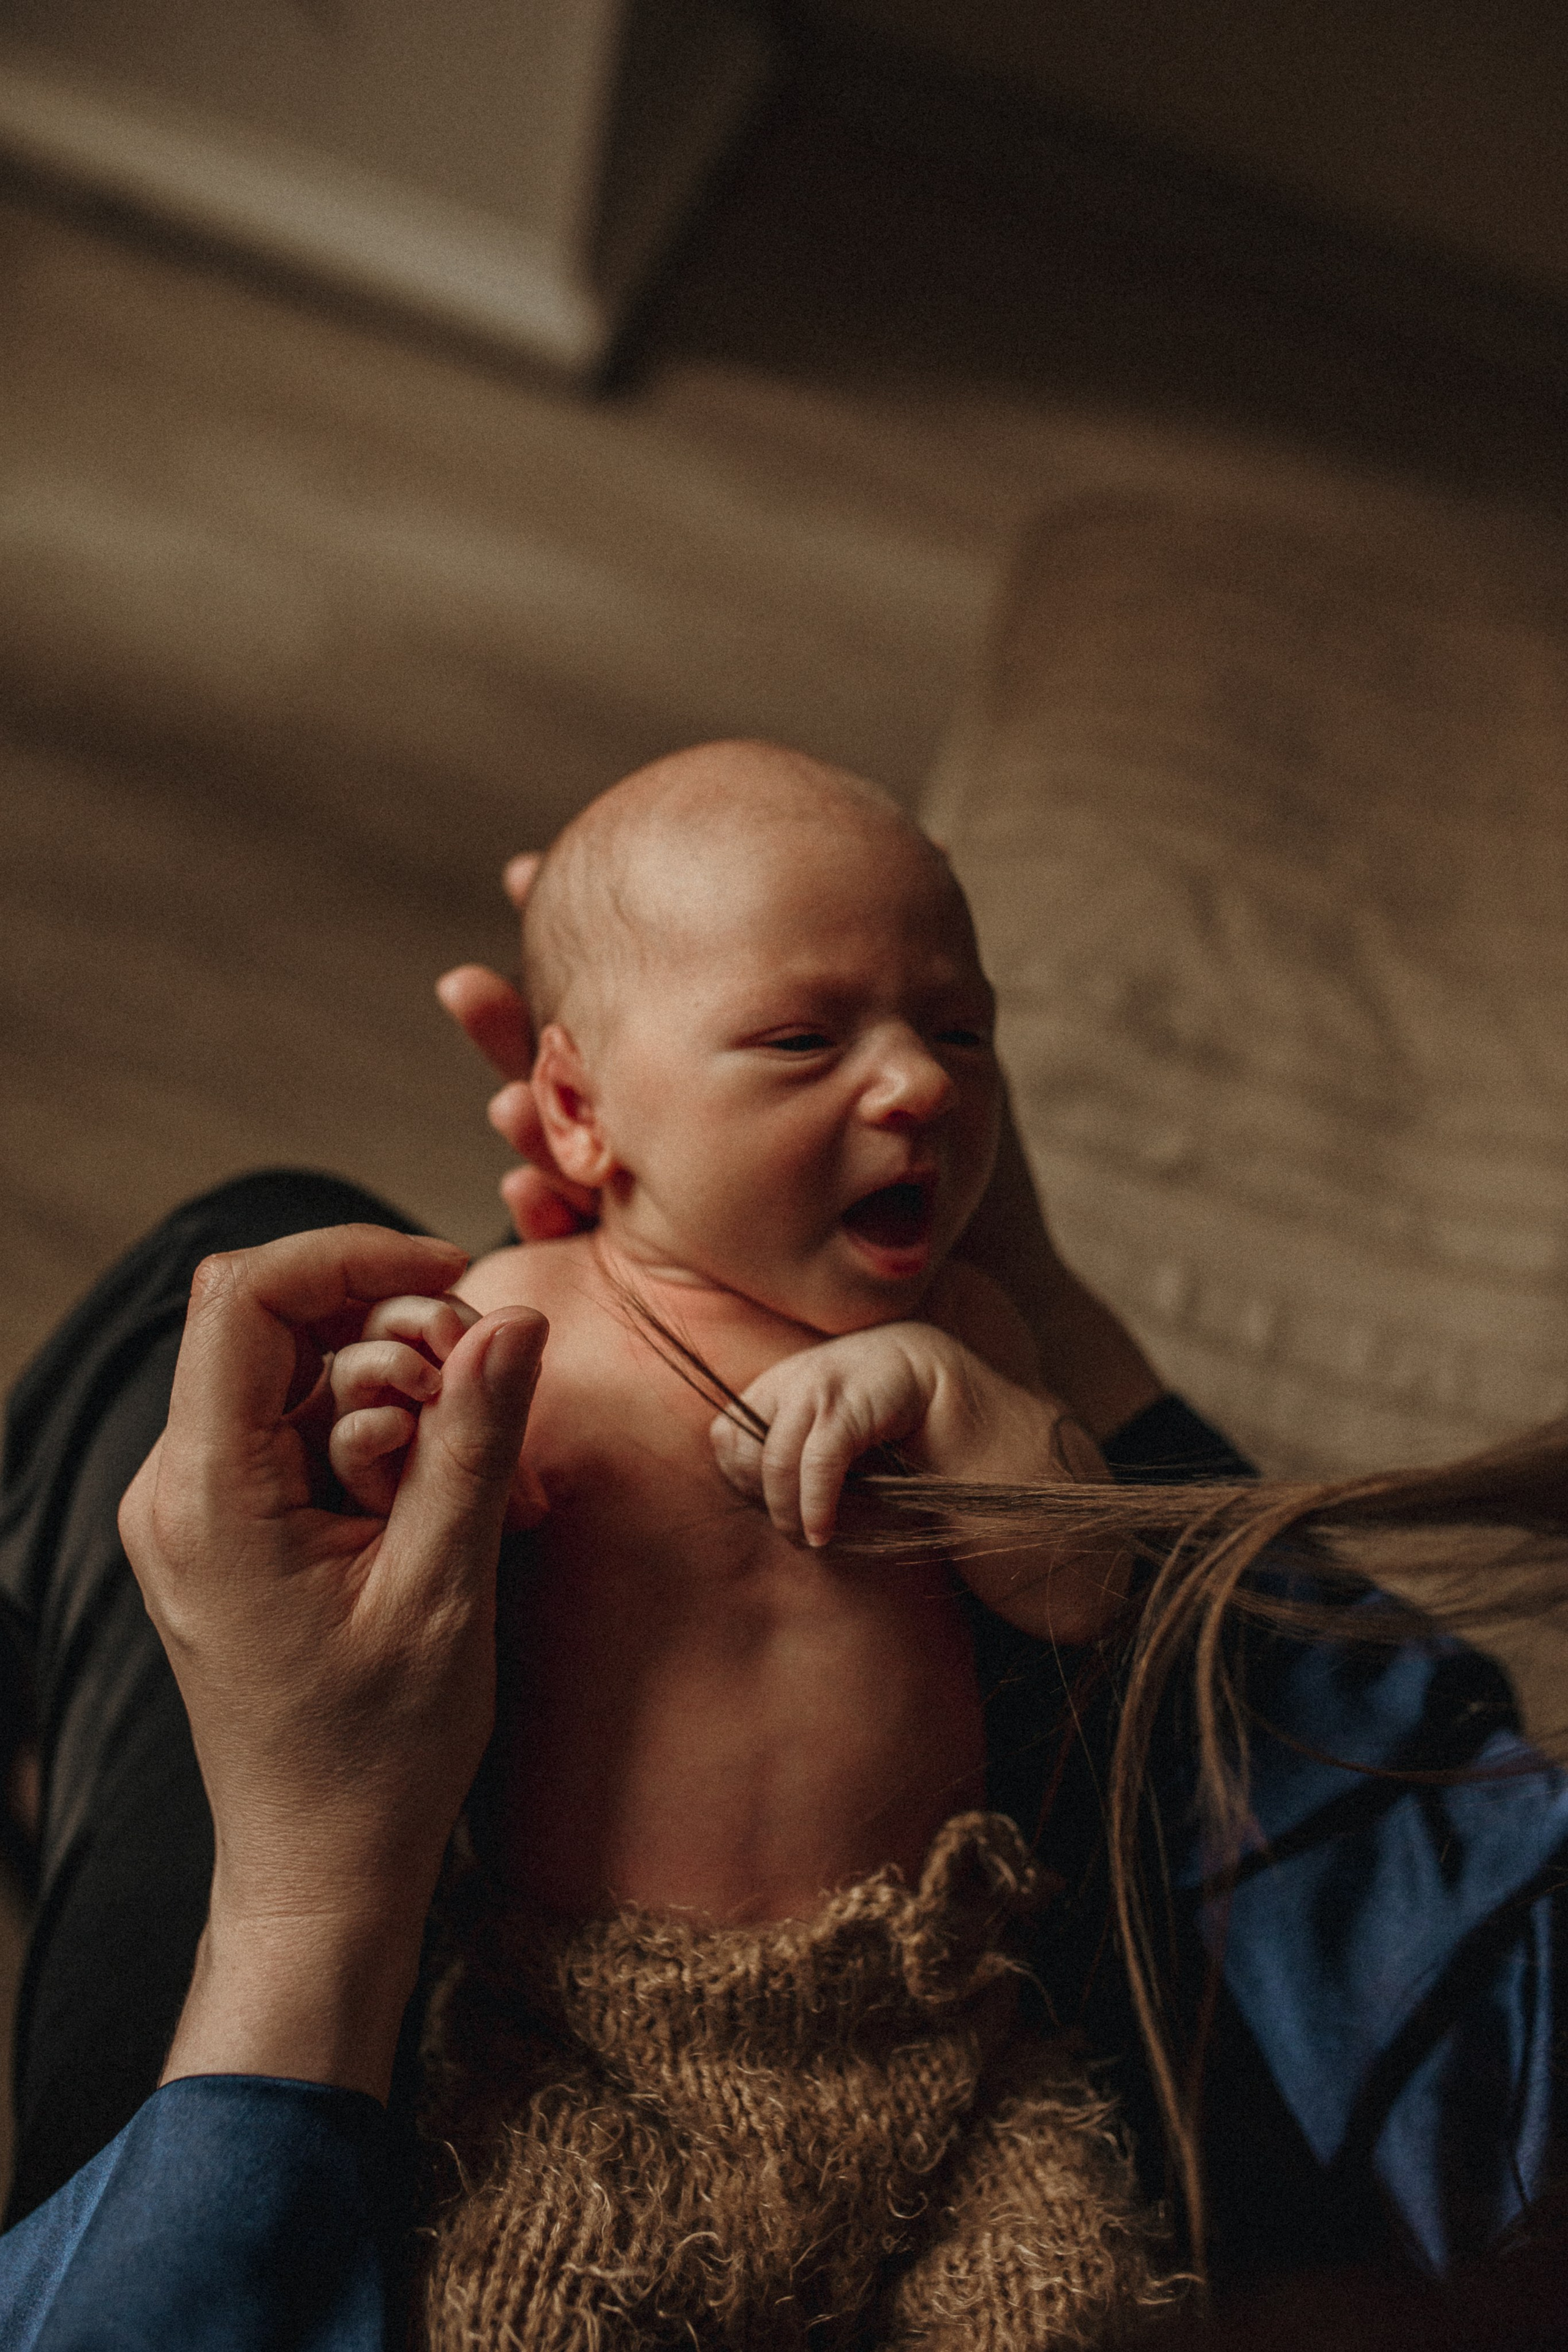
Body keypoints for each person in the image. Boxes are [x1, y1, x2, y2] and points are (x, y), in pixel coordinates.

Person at [0, 745, 1564, 2349]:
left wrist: (962, 1403)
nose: (920, 1089)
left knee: (1072, 2303)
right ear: (575, 1110)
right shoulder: (523, 1326)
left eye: (961, 1032)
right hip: (587, 2053)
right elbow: (370, 1555)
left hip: (947, 2048)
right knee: (510, 2305)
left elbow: (1096, 1586)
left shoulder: (963, 1332)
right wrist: (382, 1423)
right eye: (807, 1039)